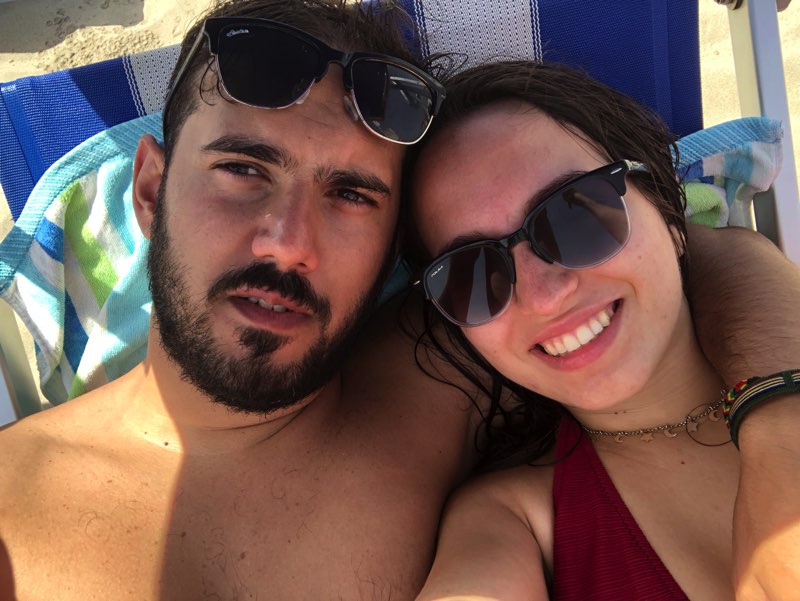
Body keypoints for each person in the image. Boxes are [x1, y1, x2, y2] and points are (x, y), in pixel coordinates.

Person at [0, 1, 797, 599]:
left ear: (391, 254)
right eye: (243, 169)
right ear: (149, 189)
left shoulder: (445, 354)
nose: (288, 242)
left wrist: (781, 439)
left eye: (351, 194)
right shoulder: (14, 504)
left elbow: (691, 255)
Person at [408, 60, 800, 600]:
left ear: (669, 214)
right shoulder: (513, 522)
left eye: (577, 214)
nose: (545, 294)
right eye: (472, 275)